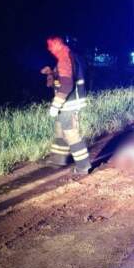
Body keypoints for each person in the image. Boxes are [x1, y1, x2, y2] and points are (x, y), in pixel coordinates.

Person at [42, 36, 91, 176]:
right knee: (60, 130)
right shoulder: (68, 56)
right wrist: (51, 73)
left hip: (68, 104)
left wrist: (55, 106)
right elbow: (61, 80)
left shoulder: (64, 58)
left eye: (51, 45)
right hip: (67, 103)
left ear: (58, 44)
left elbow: (67, 85)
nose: (49, 48)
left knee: (71, 134)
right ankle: (57, 160)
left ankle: (83, 167)